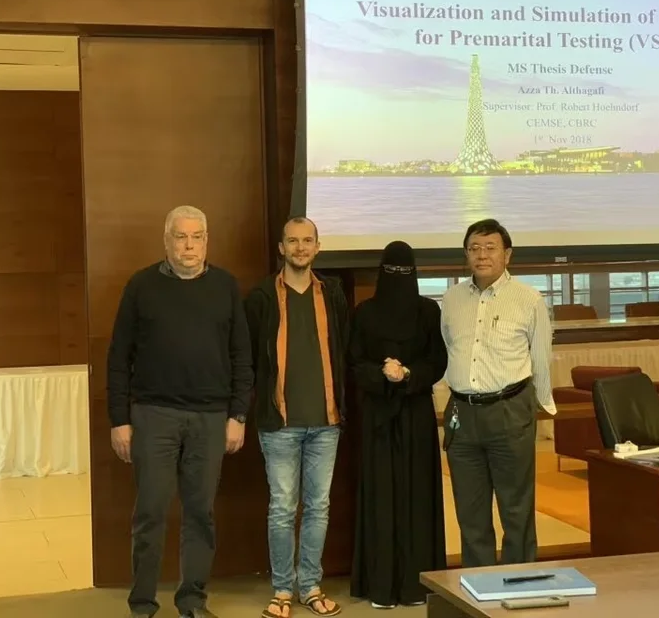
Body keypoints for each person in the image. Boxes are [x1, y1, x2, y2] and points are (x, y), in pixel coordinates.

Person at [106, 205, 253, 618]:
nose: (189, 246)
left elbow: (242, 356)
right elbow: (118, 357)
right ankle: (142, 604)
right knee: (150, 512)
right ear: (166, 240)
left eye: (197, 237)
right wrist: (119, 420)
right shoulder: (141, 286)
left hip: (210, 417)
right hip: (154, 416)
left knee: (200, 514)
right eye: (181, 236)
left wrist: (238, 415)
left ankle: (192, 601)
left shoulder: (225, 286)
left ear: (207, 240)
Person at [245, 217, 350, 618]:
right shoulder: (261, 296)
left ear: (317, 247)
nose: (300, 248)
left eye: (307, 241)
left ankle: (310, 586)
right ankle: (281, 591)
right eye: (293, 241)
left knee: (318, 507)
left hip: (326, 422)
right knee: (282, 509)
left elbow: (344, 349)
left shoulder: (332, 294)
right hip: (280, 424)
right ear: (281, 248)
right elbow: (249, 358)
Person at [439, 218, 555, 567]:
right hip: (462, 413)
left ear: (508, 254)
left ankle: (520, 581)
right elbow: (448, 348)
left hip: (510, 410)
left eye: (490, 248)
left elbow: (541, 358)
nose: (482, 255)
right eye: (474, 248)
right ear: (466, 255)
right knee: (470, 509)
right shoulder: (452, 299)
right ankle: (478, 583)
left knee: (516, 507)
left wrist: (541, 406)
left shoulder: (528, 299)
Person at [348, 241, 448, 609]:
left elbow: (437, 360)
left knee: (418, 495)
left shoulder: (428, 311)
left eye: (405, 272)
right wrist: (381, 373)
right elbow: (353, 361)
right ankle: (381, 585)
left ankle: (415, 585)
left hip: (417, 413)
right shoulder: (364, 313)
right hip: (377, 415)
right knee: (381, 496)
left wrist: (407, 373)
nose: (398, 278)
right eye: (392, 271)